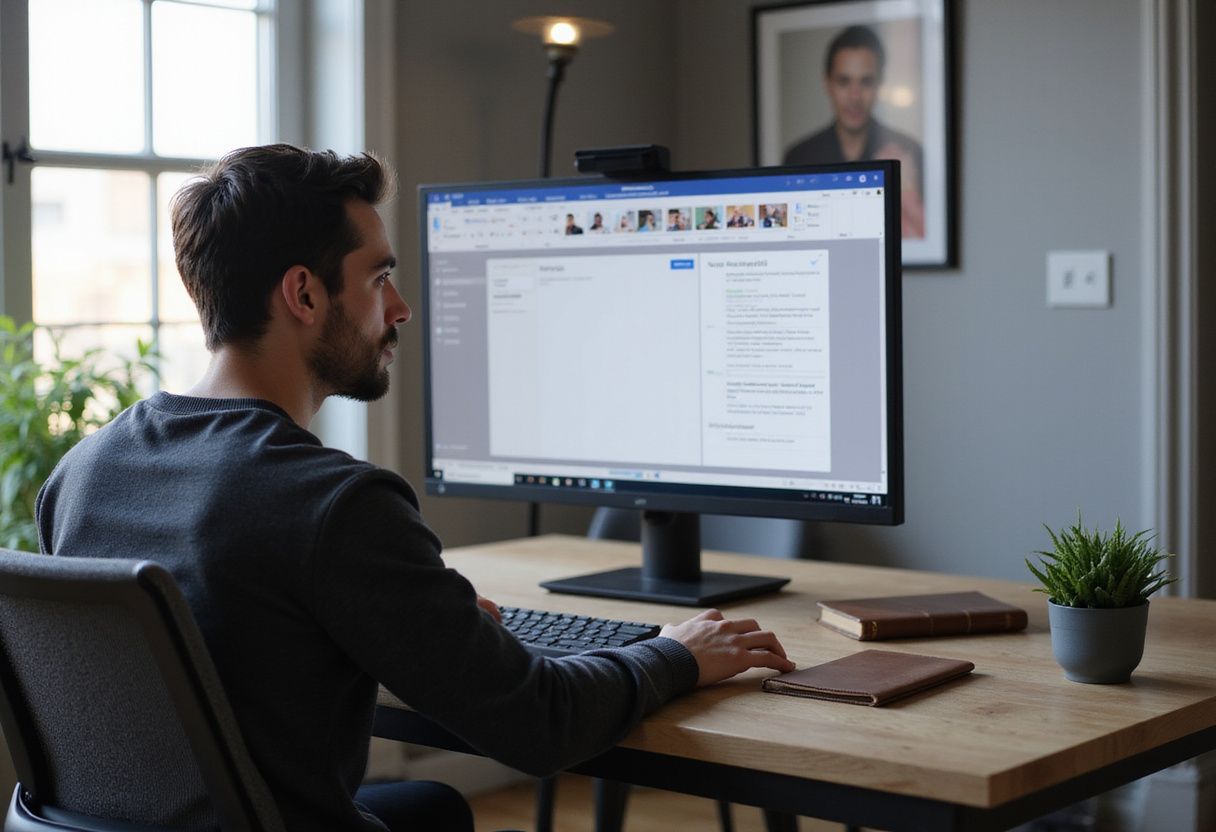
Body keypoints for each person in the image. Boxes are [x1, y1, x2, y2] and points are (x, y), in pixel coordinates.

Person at [35, 144, 794, 832]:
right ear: (303, 294)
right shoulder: (334, 504)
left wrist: (422, 619)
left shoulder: (84, 471)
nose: (399, 309)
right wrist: (678, 653)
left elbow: (239, 639)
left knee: (428, 806)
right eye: (380, 276)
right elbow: (540, 725)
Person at [782, 24, 925, 238]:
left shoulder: (910, 152)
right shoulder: (799, 157)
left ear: (880, 84)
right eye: (844, 81)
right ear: (827, 84)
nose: (855, 97)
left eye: (866, 82)